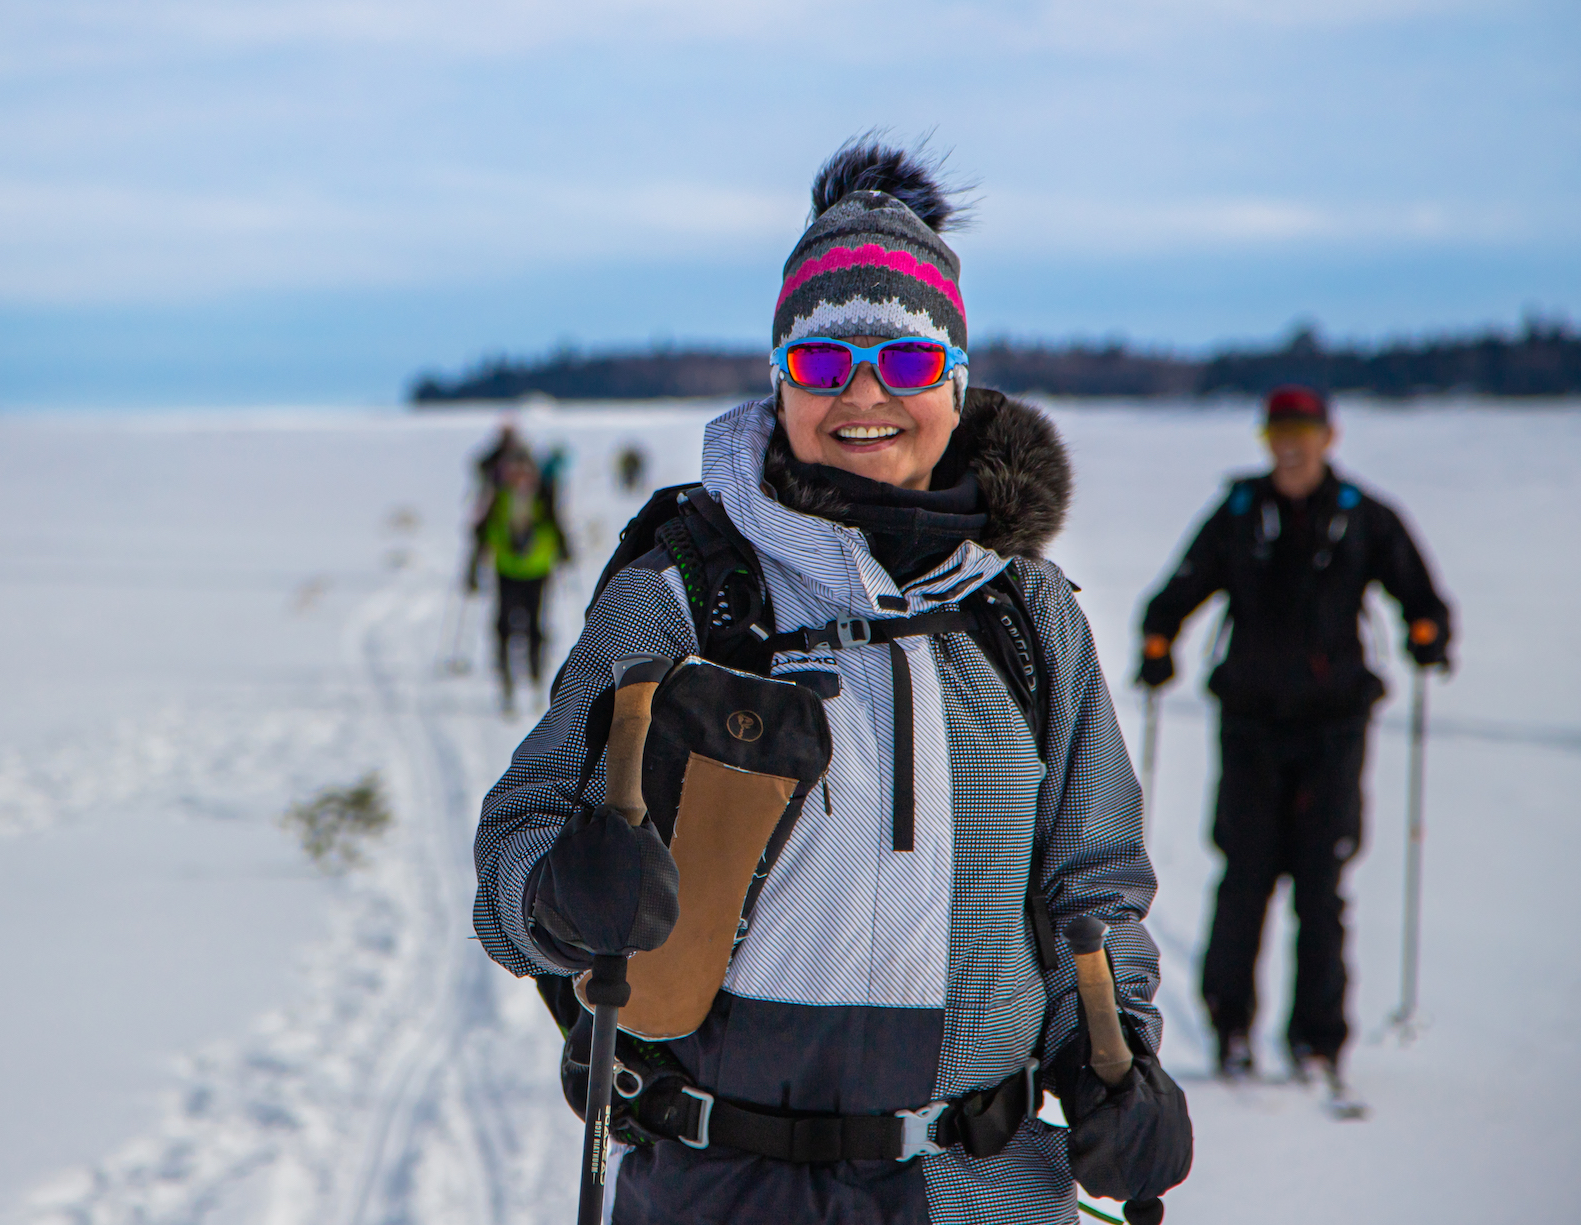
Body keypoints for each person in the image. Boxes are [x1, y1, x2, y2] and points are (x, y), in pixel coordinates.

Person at [473, 142, 1190, 1223]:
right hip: (714, 1184)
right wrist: (561, 891)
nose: (863, 396)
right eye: (821, 364)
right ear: (779, 377)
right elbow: (515, 844)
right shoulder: (687, 588)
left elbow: (1093, 887)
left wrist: (1116, 1057)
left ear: (953, 383)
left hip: (971, 1189)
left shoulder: (1026, 615)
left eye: (903, 364)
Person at [1136, 385, 1452, 1088]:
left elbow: (1417, 590)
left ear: (1327, 436)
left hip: (1334, 726)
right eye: (1279, 429)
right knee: (1244, 876)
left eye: (1303, 429)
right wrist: (1159, 639)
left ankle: (1318, 1037)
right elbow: (1182, 586)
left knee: (1321, 883)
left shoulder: (1360, 515)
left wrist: (1427, 633)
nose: (1291, 442)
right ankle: (1230, 1024)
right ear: (1265, 437)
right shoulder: (1241, 512)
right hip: (1249, 721)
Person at [468, 443, 572, 714]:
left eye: (523, 469)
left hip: (537, 569)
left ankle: (535, 676)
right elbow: (482, 533)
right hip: (507, 568)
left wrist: (565, 551)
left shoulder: (543, 496)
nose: (519, 475)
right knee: (504, 625)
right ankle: (507, 680)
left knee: (534, 625)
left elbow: (558, 525)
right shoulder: (498, 497)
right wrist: (472, 568)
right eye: (514, 470)